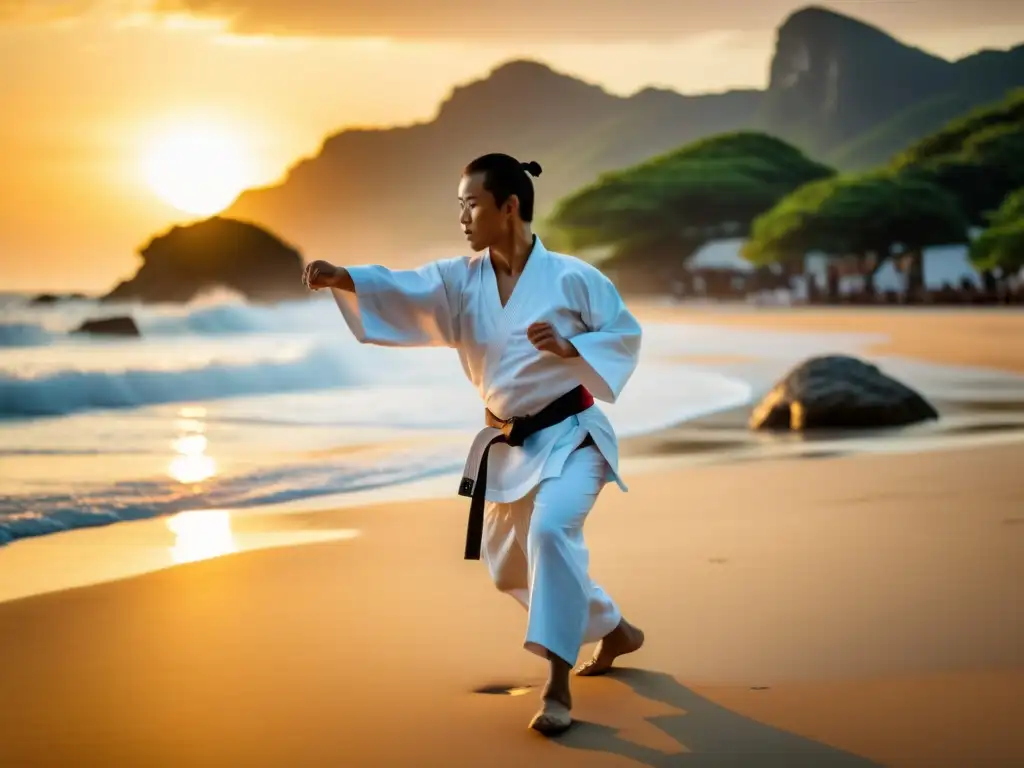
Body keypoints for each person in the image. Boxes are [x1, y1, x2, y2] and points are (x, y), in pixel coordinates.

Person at [302, 153, 645, 736]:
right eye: (459, 205)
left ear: (508, 207)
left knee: (549, 533)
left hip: (573, 437)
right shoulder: (461, 279)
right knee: (507, 566)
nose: (462, 217)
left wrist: (570, 349)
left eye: (472, 204)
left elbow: (625, 335)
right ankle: (612, 627)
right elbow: (405, 287)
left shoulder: (574, 279)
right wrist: (346, 278)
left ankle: (557, 685)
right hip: (507, 446)